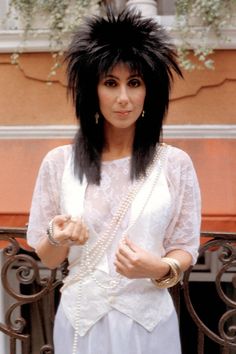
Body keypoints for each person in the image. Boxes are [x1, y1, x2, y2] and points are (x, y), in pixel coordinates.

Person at [27, 7, 201, 354]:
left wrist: (160, 267)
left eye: (134, 83)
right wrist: (56, 236)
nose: (123, 98)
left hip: (149, 324)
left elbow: (185, 245)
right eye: (111, 83)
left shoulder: (175, 164)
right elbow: (47, 258)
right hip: (81, 326)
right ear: (93, 91)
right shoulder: (59, 163)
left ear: (149, 91)